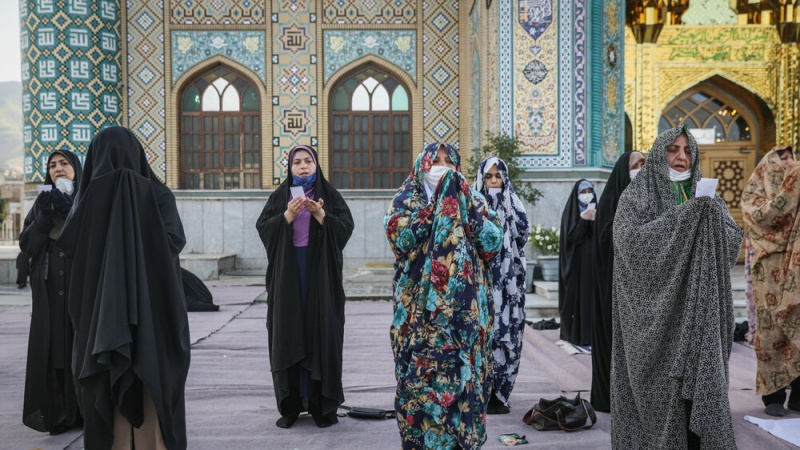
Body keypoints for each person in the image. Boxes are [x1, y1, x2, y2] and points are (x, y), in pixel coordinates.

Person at [57, 127, 190, 449]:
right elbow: (173, 243)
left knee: (108, 385)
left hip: (101, 320)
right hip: (152, 311)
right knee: (151, 381)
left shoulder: (86, 203)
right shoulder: (157, 194)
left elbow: (74, 256)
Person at [612, 127, 743, 449]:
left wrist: (710, 217)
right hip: (656, 321)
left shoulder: (707, 195)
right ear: (659, 152)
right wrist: (685, 218)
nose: (681, 157)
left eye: (687, 150)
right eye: (673, 149)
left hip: (699, 313)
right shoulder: (638, 195)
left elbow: (731, 242)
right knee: (661, 391)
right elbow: (629, 243)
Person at [386, 143, 503, 449]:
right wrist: (437, 207)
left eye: (448, 161)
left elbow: (492, 242)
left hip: (465, 315)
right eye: (434, 161)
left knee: (465, 380)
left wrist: (460, 202)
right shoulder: (406, 199)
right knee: (419, 378)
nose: (441, 167)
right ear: (421, 166)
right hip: (418, 315)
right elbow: (399, 238)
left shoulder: (474, 199)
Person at [256, 145, 354, 429]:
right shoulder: (280, 197)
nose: (302, 166)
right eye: (296, 162)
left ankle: (321, 405)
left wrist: (322, 217)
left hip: (320, 277)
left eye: (307, 161)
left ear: (315, 164)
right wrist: (286, 216)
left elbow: (345, 227)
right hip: (288, 276)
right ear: (289, 167)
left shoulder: (329, 196)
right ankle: (290, 405)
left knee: (320, 332)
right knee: (288, 331)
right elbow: (264, 227)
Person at [19, 149, 83, 434]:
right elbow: (28, 245)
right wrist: (45, 216)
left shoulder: (86, 199)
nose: (58, 168)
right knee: (53, 349)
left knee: (77, 347)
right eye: (52, 165)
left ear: (76, 168)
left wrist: (70, 209)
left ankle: (82, 411)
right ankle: (59, 415)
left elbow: (91, 237)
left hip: (77, 286)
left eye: (64, 163)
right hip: (48, 289)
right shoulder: (42, 203)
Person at [741, 146, 800, 417]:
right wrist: (791, 188)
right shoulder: (755, 191)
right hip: (769, 271)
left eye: (791, 157)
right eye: (782, 157)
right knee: (771, 331)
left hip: (796, 269)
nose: (788, 162)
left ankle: (799, 393)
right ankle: (772, 395)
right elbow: (763, 219)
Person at [473, 157, 530, 414]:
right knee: (483, 335)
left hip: (509, 286)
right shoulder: (474, 205)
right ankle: (481, 391)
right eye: (489, 177)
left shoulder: (514, 203)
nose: (494, 181)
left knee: (509, 335)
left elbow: (523, 234)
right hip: (482, 283)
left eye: (498, 177)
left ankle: (501, 392)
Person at [590, 150, 645, 413]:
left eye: (646, 163)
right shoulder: (612, 199)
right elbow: (605, 238)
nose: (642, 168)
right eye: (637, 164)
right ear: (625, 169)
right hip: (613, 287)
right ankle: (612, 398)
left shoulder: (650, 198)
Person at [558, 179, 596, 345]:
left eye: (590, 192)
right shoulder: (570, 214)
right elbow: (572, 240)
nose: (587, 196)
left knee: (591, 300)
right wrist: (583, 220)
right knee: (576, 300)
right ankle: (575, 335)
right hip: (576, 267)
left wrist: (595, 221)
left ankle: (591, 335)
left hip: (592, 268)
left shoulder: (598, 211)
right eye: (583, 192)